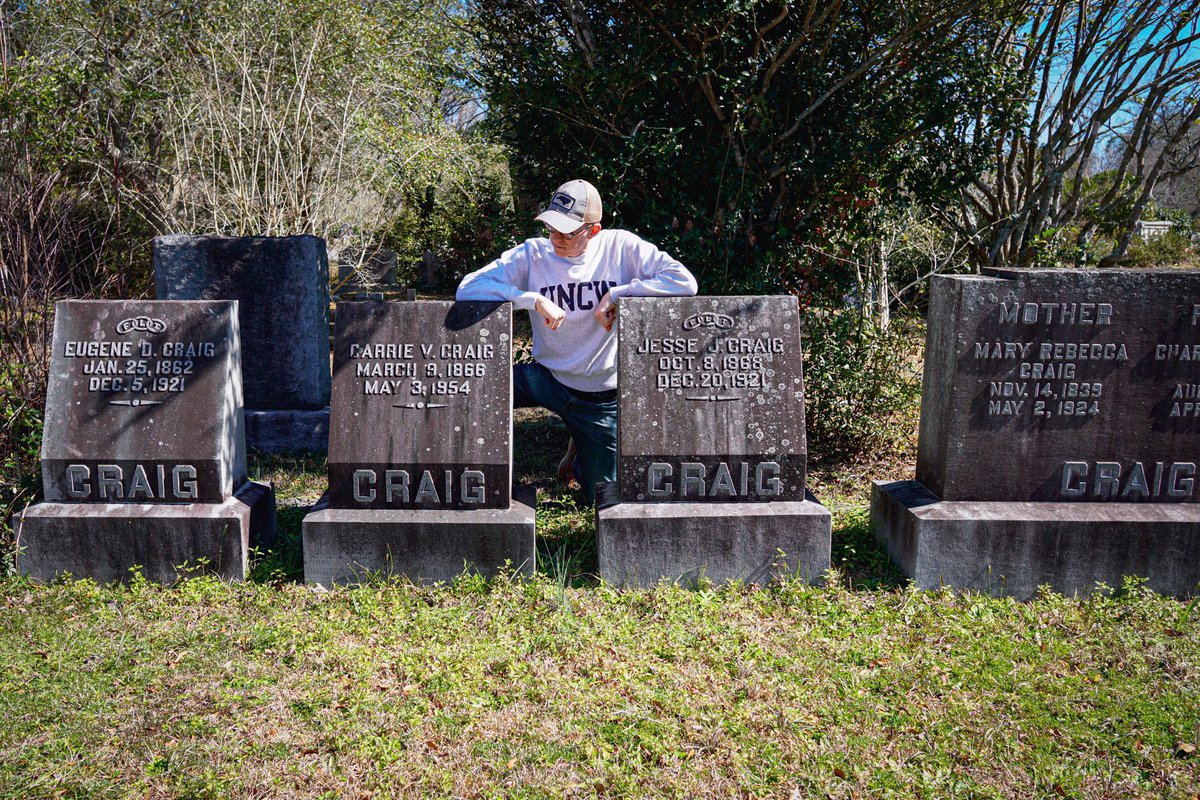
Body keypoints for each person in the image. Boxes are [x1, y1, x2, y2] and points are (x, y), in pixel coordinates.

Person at [456, 179, 698, 504]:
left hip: (597, 397)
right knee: (468, 387)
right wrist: (529, 299)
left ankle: (580, 453)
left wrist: (617, 294)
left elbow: (684, 282)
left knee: (602, 499)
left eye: (567, 232)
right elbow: (468, 288)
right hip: (545, 378)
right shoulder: (533, 253)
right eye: (551, 228)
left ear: (593, 231)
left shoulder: (621, 247)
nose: (555, 238)